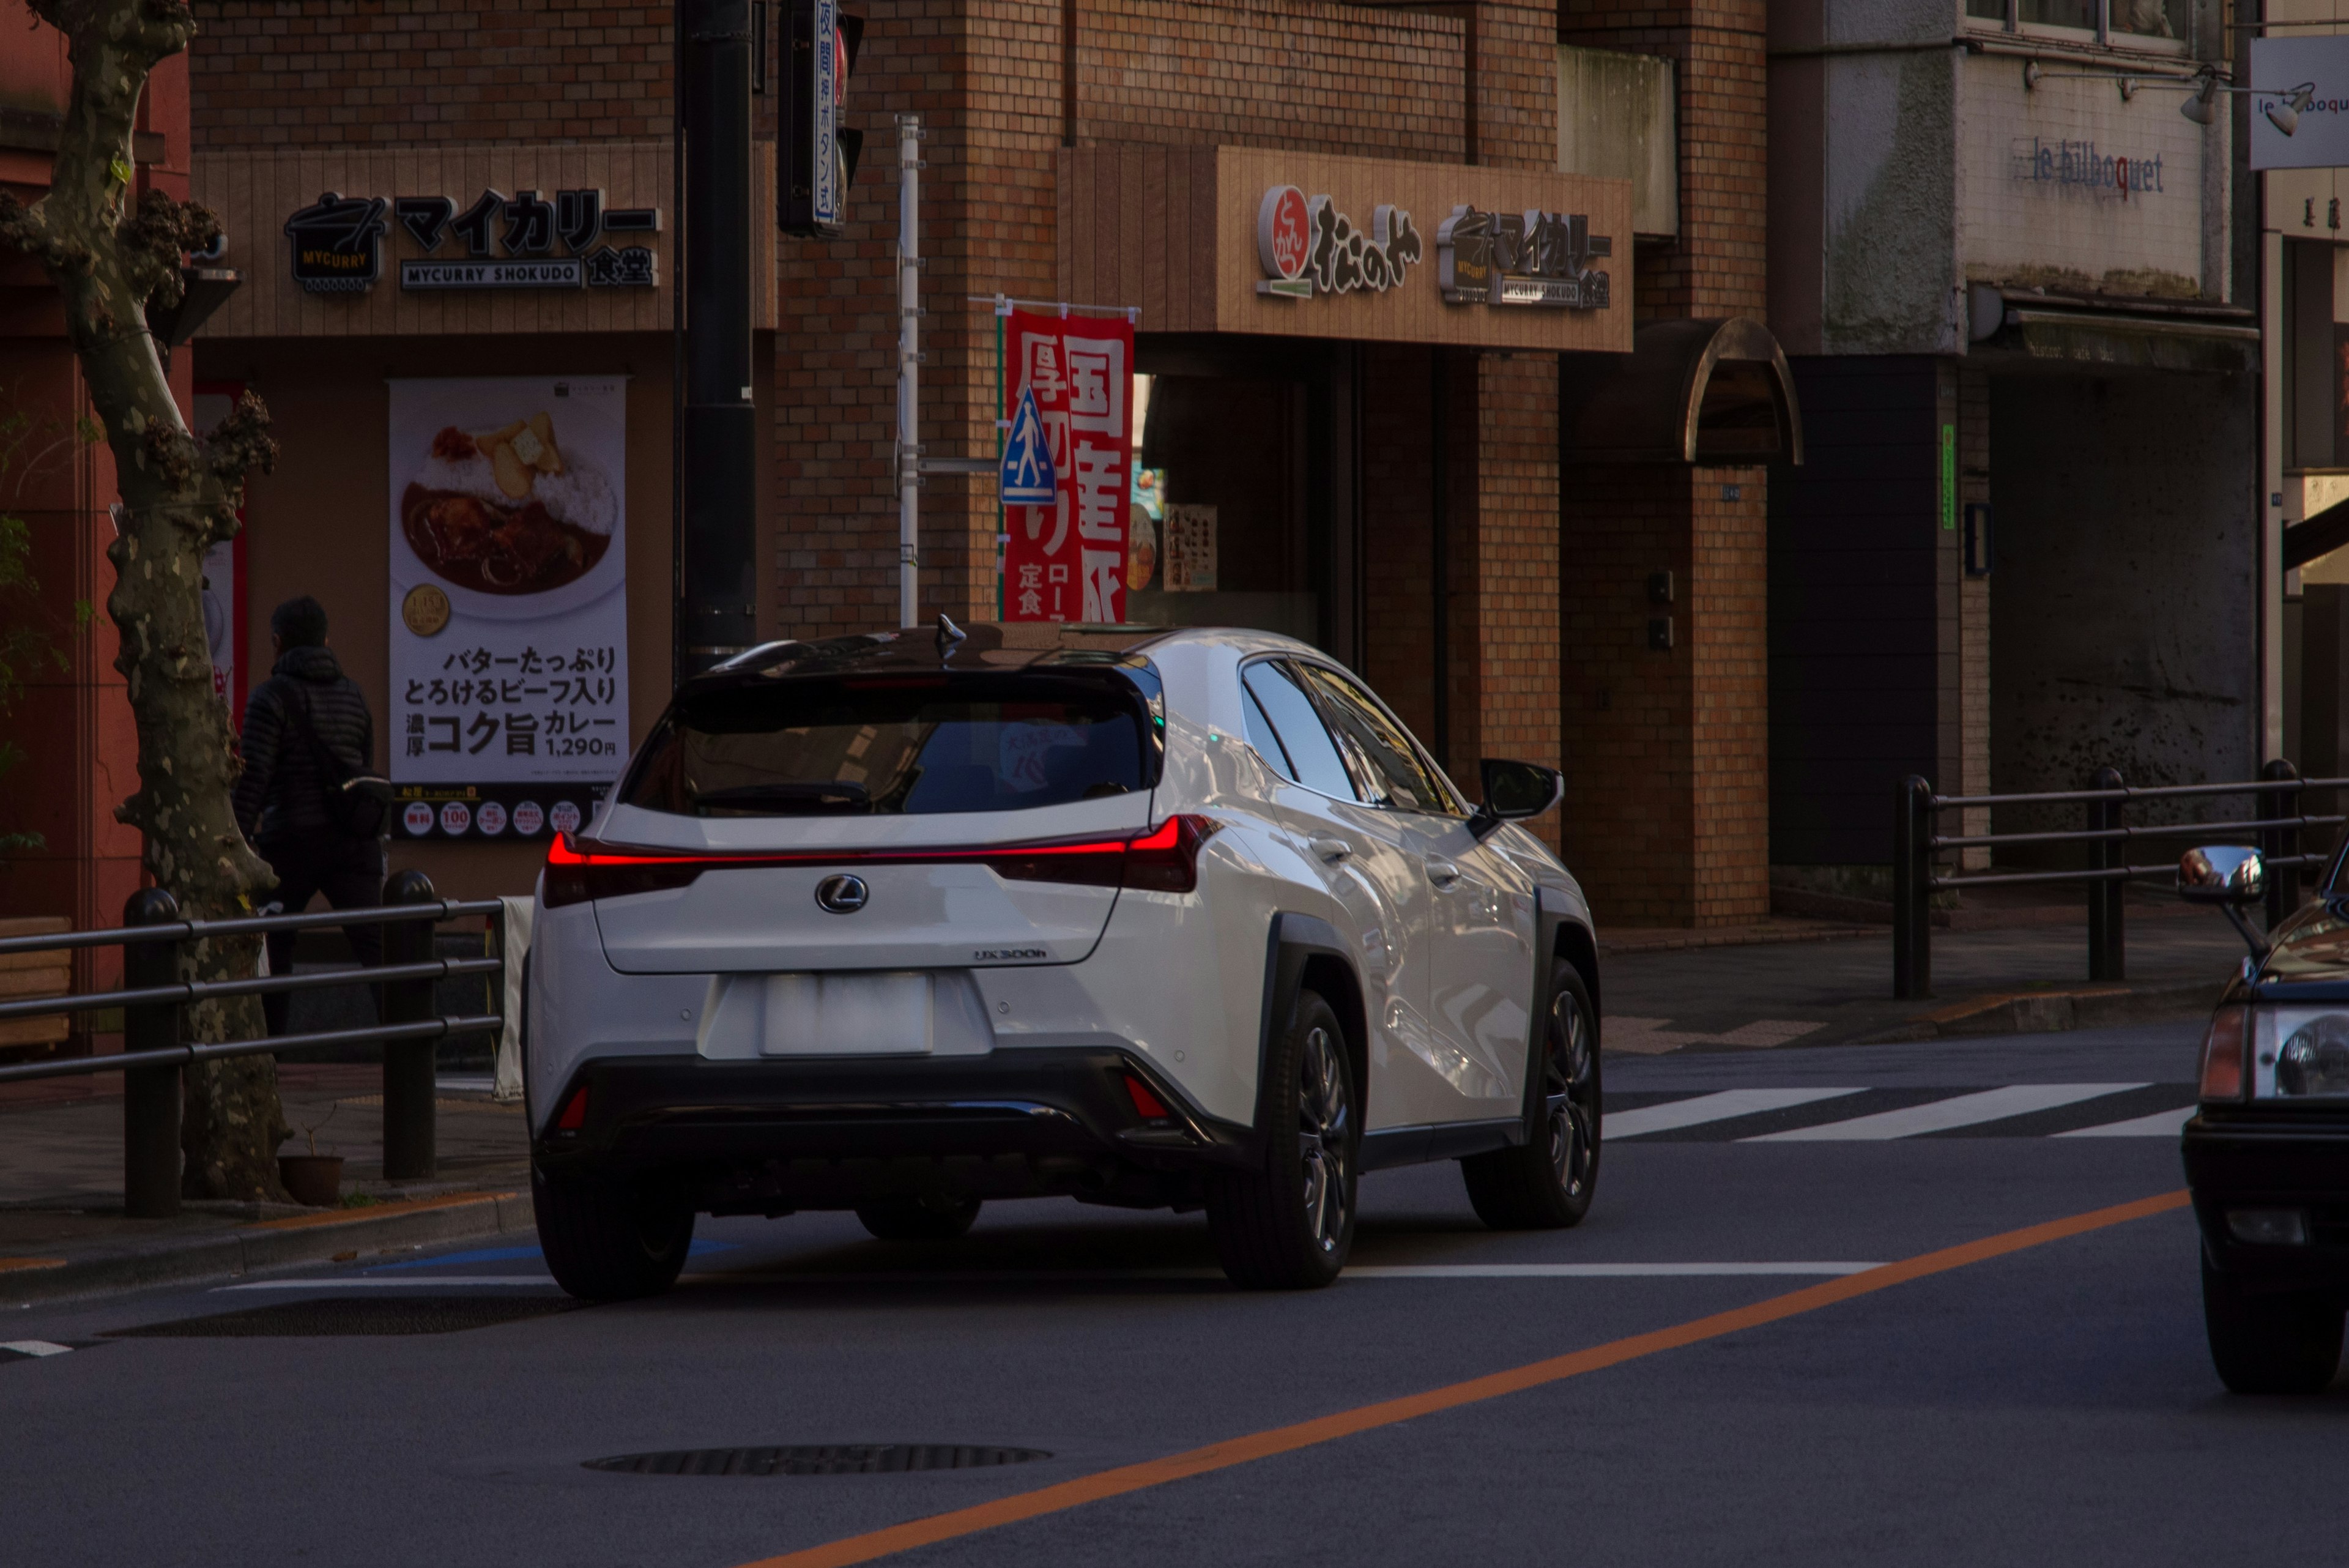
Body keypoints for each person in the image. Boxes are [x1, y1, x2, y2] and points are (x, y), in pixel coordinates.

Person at [232, 596, 384, 1035]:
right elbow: (363, 765)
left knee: (275, 950)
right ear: (327, 641)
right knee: (378, 950)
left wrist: (237, 847)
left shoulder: (269, 697)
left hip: (290, 845)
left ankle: (269, 1054)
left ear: (277, 643)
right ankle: (408, 1052)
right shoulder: (355, 694)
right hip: (352, 843)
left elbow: (254, 778)